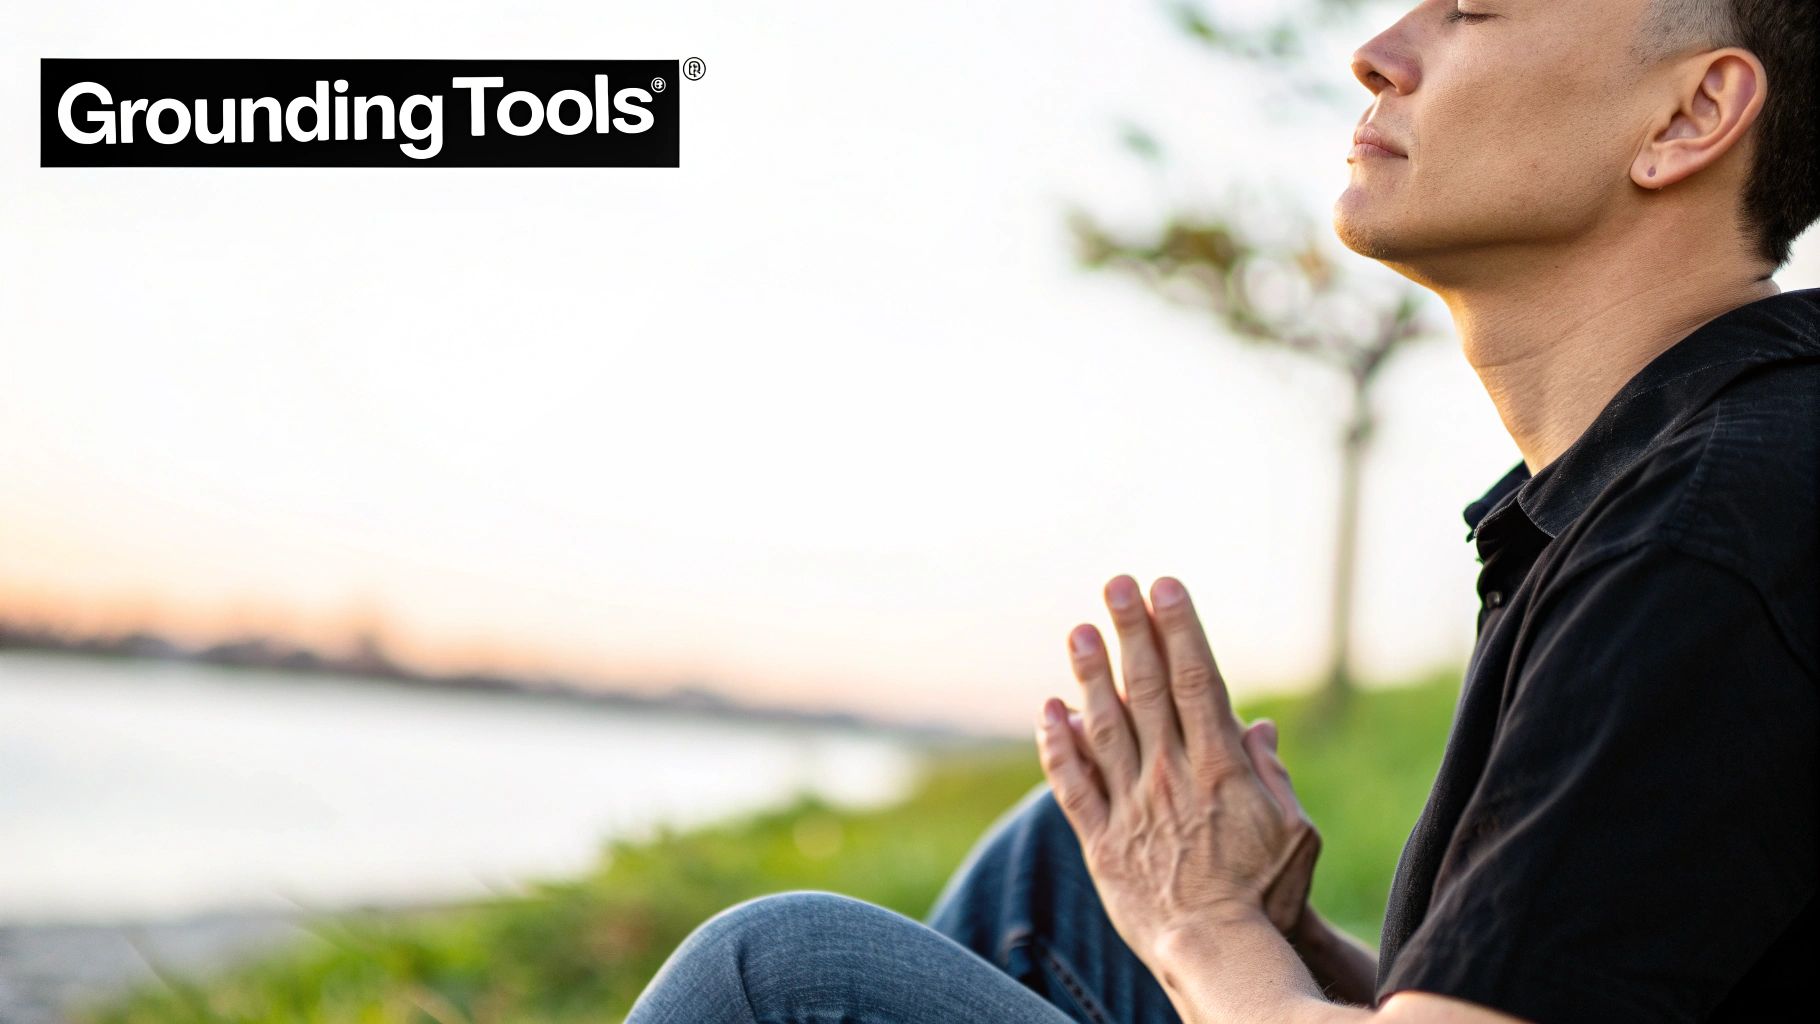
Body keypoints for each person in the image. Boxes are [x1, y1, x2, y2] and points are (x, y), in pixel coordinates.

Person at [624, 2, 1820, 1021]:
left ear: (1687, 115)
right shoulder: (1690, 475)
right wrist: (1280, 940)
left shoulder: (1707, 528)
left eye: (1471, 7)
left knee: (774, 975)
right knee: (1065, 870)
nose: (1377, 53)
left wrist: (1202, 926)